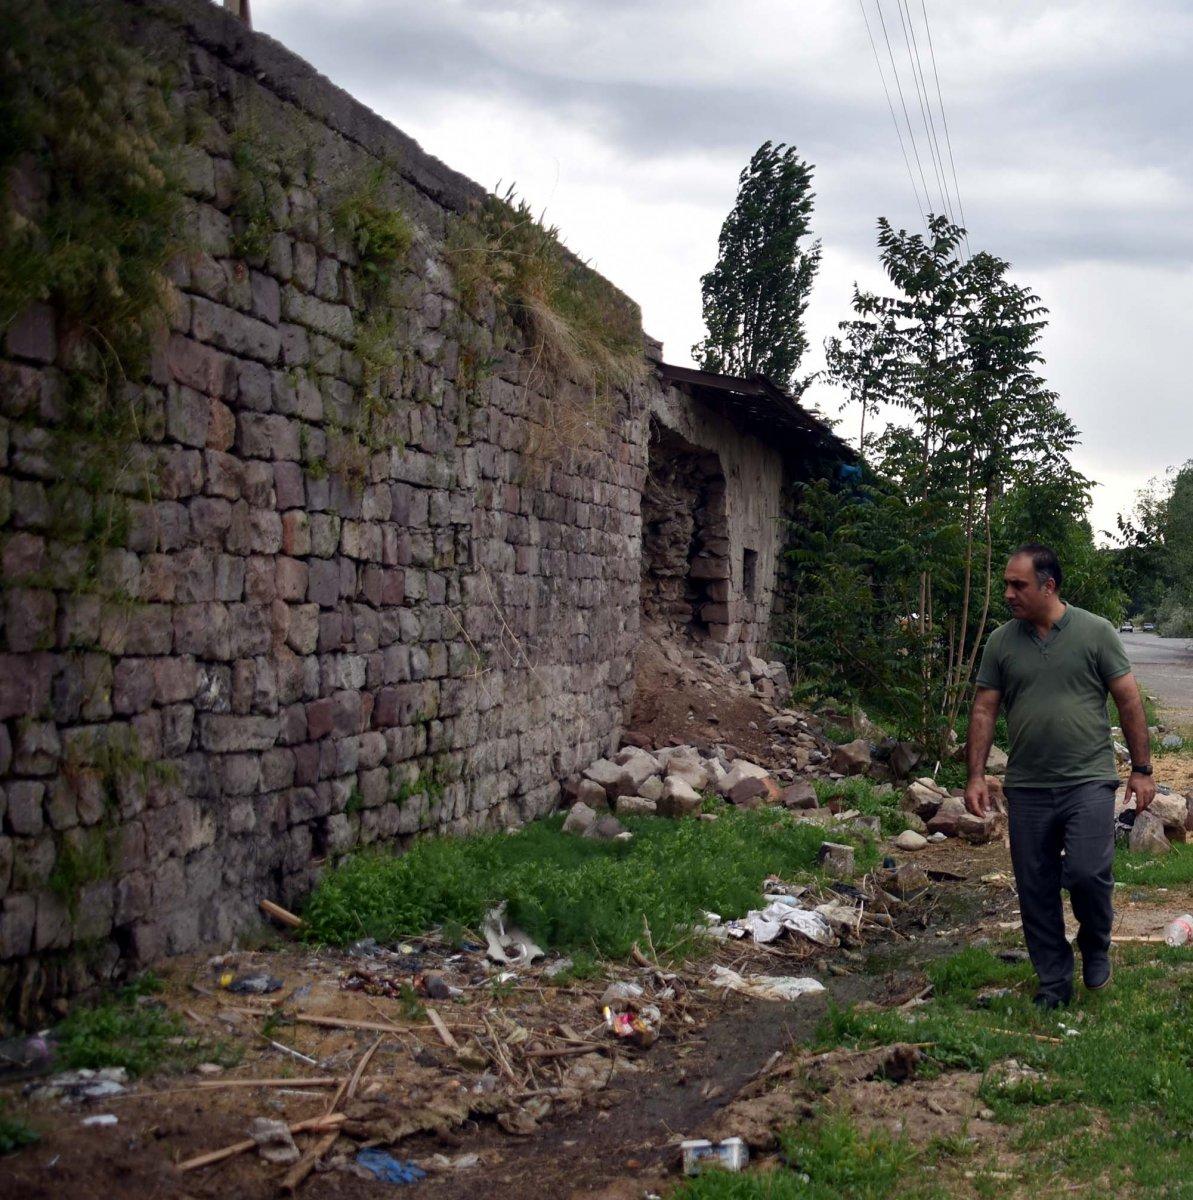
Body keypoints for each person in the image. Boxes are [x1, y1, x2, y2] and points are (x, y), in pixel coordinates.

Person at [965, 544, 1155, 1008]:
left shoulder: (1095, 632)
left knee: (1089, 873)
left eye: (1018, 585)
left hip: (1088, 779)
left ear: (1048, 586)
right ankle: (1053, 983)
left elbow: (1128, 701)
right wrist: (974, 776)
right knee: (1035, 887)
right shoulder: (1001, 642)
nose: (1007, 593)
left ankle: (1095, 944)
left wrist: (1143, 768)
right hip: (1028, 785)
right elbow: (985, 708)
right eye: (1006, 583)